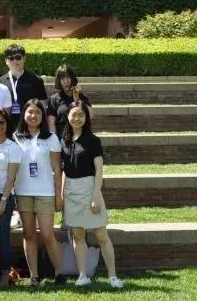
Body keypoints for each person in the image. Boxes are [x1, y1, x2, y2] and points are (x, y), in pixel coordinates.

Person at [60, 101, 123, 288]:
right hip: (71, 191)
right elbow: (64, 171)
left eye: (81, 115)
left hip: (89, 189)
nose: (77, 118)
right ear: (68, 117)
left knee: (101, 234)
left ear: (86, 118)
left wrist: (96, 195)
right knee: (78, 235)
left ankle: (113, 276)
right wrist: (62, 195)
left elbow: (99, 170)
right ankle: (82, 275)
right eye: (74, 114)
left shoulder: (93, 141)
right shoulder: (64, 140)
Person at [13, 98, 64, 286]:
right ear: (24, 114)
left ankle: (60, 273)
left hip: (45, 192)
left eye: (37, 112)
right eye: (30, 112)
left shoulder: (51, 138)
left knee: (47, 235)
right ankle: (34, 276)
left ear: (43, 116)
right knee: (28, 234)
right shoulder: (16, 137)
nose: (33, 115)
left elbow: (57, 169)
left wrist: (58, 195)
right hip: (23, 192)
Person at [0, 109, 20, 286]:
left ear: (7, 125)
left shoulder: (12, 147)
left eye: (1, 122)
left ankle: (5, 275)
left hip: (2, 196)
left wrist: (3, 201)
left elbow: (11, 178)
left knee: (2, 237)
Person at [0, 44, 47, 128]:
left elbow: (43, 107)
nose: (15, 61)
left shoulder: (36, 80)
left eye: (18, 57)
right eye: (11, 58)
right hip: (8, 128)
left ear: (24, 58)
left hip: (30, 127)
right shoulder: (1, 82)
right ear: (6, 61)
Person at [47, 63, 91, 137]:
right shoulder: (54, 99)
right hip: (61, 138)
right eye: (62, 79)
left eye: (68, 78)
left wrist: (77, 99)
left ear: (72, 78)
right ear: (59, 81)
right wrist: (55, 141)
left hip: (80, 138)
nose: (66, 81)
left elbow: (90, 115)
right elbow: (51, 122)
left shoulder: (81, 97)